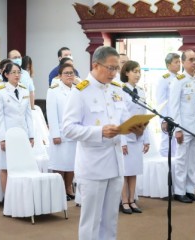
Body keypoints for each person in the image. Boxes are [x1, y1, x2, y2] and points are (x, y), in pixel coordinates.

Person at [63, 46, 145, 240]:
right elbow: (68, 128)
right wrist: (99, 132)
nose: (114, 73)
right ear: (95, 65)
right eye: (110, 68)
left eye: (117, 68)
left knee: (110, 219)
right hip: (93, 166)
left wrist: (137, 130)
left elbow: (124, 120)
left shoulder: (116, 89)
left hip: (116, 163)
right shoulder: (81, 91)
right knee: (91, 220)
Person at [169, 49, 195, 203]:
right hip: (184, 128)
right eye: (191, 60)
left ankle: (190, 189)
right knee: (182, 160)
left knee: (193, 161)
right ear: (183, 62)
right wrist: (177, 129)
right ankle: (179, 191)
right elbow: (174, 107)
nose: (194, 62)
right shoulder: (178, 81)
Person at [0, 62, 34, 193]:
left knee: (21, 165)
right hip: (7, 134)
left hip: (22, 134)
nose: (17, 75)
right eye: (14, 72)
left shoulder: (24, 89)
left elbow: (28, 115)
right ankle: (7, 197)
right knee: (5, 167)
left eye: (19, 72)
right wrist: (2, 138)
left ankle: (19, 196)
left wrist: (31, 135)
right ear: (6, 74)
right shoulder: (0, 91)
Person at [120, 60, 150, 214]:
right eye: (134, 71)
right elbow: (119, 118)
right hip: (126, 136)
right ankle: (124, 201)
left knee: (134, 170)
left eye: (139, 72)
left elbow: (145, 116)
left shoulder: (141, 91)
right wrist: (122, 141)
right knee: (125, 171)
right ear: (126, 73)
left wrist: (147, 139)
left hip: (138, 135)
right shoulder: (121, 91)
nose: (137, 75)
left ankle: (132, 200)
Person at [46, 63, 77, 201]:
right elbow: (52, 114)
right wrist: (55, 134)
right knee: (60, 163)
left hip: (74, 132)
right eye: (66, 73)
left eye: (72, 73)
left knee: (72, 163)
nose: (69, 75)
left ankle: (68, 188)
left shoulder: (77, 90)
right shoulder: (54, 90)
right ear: (59, 76)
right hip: (60, 133)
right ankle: (59, 190)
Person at [155, 53, 181, 157]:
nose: (179, 64)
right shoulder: (164, 79)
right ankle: (166, 169)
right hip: (168, 116)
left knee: (179, 144)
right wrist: (164, 119)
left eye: (179, 62)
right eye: (176, 62)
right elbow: (161, 102)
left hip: (179, 116)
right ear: (168, 65)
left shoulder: (181, 78)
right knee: (167, 144)